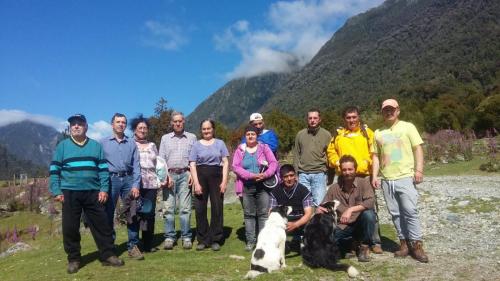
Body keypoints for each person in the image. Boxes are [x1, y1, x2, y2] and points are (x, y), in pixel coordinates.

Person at [49, 114, 124, 274]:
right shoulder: (62, 146)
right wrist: (56, 190)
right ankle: (74, 259)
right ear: (70, 127)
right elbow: (55, 169)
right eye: (73, 124)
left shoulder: (95, 146)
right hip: (69, 192)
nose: (76, 126)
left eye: (79, 124)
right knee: (70, 228)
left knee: (102, 225)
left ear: (86, 127)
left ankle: (108, 255)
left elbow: (103, 170)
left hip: (93, 192)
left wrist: (104, 189)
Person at [371, 98, 429, 263]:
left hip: (405, 176)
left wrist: (419, 170)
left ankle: (416, 245)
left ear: (398, 111)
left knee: (410, 211)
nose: (388, 112)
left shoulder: (408, 127)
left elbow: (417, 148)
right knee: (395, 214)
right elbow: (375, 156)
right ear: (382, 112)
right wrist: (375, 176)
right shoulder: (378, 132)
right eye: (385, 110)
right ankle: (404, 244)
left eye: (392, 109)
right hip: (387, 179)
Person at [326, 106, 383, 254]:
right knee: (345, 209)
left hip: (363, 176)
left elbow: (374, 153)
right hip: (344, 175)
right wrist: (337, 162)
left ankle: (374, 241)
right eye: (348, 117)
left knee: (369, 209)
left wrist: (366, 165)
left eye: (354, 117)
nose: (351, 120)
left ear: (358, 117)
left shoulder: (367, 133)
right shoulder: (339, 135)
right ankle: (354, 240)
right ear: (344, 119)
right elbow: (331, 152)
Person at [317, 155, 377, 262]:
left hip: (360, 222)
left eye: (350, 169)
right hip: (343, 225)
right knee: (330, 243)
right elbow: (323, 205)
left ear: (355, 169)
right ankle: (351, 244)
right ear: (340, 170)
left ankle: (364, 247)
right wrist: (320, 210)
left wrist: (350, 210)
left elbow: (370, 202)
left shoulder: (364, 182)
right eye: (344, 170)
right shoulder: (334, 188)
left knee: (369, 214)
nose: (347, 172)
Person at [100, 113, 143, 260]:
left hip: (128, 179)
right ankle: (109, 248)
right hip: (110, 180)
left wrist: (136, 185)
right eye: (118, 122)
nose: (121, 124)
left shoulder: (131, 143)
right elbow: (98, 165)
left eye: (123, 122)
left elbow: (137, 165)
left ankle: (133, 246)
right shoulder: (103, 143)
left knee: (132, 213)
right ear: (112, 124)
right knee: (107, 214)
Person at [232, 126, 279, 251]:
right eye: (248, 134)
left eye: (253, 134)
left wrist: (266, 174)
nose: (251, 136)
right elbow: (235, 167)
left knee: (263, 214)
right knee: (249, 215)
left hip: (263, 186)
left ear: (257, 135)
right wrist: (251, 175)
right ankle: (250, 242)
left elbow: (274, 163)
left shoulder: (264, 148)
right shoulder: (239, 150)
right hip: (247, 186)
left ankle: (263, 242)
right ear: (245, 136)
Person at [158, 111, 197, 250]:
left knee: (185, 208)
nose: (178, 123)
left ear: (184, 121)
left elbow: (194, 159)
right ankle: (169, 237)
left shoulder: (192, 137)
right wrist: (165, 177)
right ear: (171, 123)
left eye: (180, 121)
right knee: (168, 208)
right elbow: (161, 160)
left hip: (186, 174)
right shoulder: (165, 138)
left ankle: (186, 237)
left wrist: (192, 174)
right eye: (175, 121)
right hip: (169, 176)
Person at [189, 119, 229, 251]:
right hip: (200, 177)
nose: (206, 131)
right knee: (200, 209)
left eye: (209, 128)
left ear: (213, 129)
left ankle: (216, 238)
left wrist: (224, 181)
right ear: (201, 130)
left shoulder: (220, 143)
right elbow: (192, 164)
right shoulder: (196, 145)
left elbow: (225, 162)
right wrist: (196, 183)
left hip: (217, 177)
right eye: (204, 129)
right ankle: (203, 239)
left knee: (217, 207)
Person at [131, 114, 168, 252]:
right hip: (136, 184)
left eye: (145, 128)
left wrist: (163, 178)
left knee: (149, 213)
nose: (142, 130)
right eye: (139, 128)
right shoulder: (131, 144)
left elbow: (158, 164)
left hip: (151, 184)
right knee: (136, 213)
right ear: (134, 130)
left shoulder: (152, 145)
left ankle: (148, 243)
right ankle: (135, 243)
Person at [293, 108, 332, 205]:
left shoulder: (326, 135)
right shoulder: (300, 134)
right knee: (304, 204)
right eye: (310, 118)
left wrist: (330, 175)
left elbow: (330, 155)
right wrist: (295, 173)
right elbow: (296, 154)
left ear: (320, 119)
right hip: (303, 174)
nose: (312, 120)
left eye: (315, 118)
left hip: (319, 173)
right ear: (307, 119)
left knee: (319, 204)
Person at [269, 164, 314, 249]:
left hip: (301, 220)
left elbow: (308, 214)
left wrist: (295, 224)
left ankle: (307, 245)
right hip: (282, 222)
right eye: (286, 176)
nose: (289, 179)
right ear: (281, 178)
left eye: (291, 175)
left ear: (295, 176)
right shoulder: (275, 192)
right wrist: (282, 223)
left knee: (312, 223)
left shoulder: (304, 191)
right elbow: (271, 213)